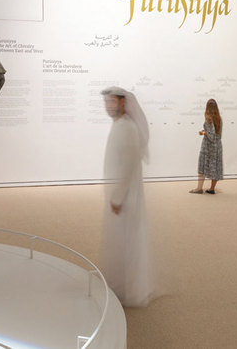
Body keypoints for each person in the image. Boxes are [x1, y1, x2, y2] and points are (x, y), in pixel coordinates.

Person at [99, 86, 157, 307]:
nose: (108, 106)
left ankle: (129, 289)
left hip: (126, 197)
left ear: (124, 103)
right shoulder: (119, 125)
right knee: (117, 240)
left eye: (112, 101)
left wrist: (117, 196)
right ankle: (117, 284)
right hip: (119, 195)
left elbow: (129, 166)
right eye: (106, 102)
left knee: (127, 241)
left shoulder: (128, 128)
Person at [190, 99, 223, 194]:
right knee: (215, 167)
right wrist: (206, 131)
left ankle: (199, 188)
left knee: (202, 165)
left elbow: (211, 136)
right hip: (217, 146)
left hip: (208, 146)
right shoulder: (219, 118)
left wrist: (204, 133)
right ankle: (212, 189)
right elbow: (217, 135)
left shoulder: (209, 118)